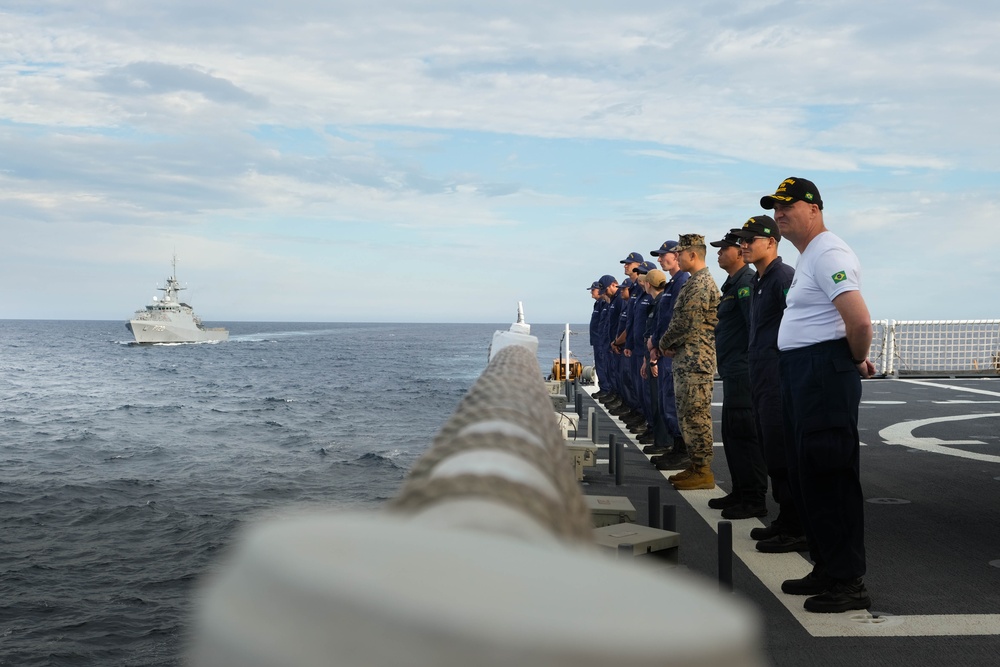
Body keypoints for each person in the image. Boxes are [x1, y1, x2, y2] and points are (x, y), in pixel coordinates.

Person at [761, 176, 875, 613]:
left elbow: (859, 322)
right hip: (804, 371)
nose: (779, 214)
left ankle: (848, 582)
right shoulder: (811, 256)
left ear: (814, 208)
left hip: (821, 373)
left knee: (830, 475)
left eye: (787, 205)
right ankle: (827, 568)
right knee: (809, 474)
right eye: (776, 208)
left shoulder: (828, 252)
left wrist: (850, 358)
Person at [733, 215, 807, 554]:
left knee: (784, 455)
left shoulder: (783, 278)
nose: (743, 245)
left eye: (750, 239)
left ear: (771, 243)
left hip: (779, 380)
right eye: (743, 240)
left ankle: (796, 527)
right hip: (761, 379)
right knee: (771, 452)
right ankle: (784, 520)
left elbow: (800, 325)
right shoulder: (762, 280)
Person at [708, 231, 766, 518]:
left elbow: (752, 328)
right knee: (732, 435)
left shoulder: (746, 284)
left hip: (743, 373)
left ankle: (754, 498)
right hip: (731, 371)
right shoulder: (732, 284)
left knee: (745, 435)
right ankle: (741, 491)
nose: (719, 253)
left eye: (723, 249)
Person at [658, 234, 720, 490]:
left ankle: (703, 470)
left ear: (692, 255)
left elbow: (686, 322)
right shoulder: (693, 282)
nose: (678, 257)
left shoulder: (700, 284)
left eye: (680, 253)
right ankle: (695, 465)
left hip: (697, 360)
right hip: (688, 359)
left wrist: (664, 343)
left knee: (696, 415)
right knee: (687, 413)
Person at [647, 240, 689, 466]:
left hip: (672, 351)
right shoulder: (673, 283)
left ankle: (682, 450)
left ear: (676, 255)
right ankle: (675, 446)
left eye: (664, 255)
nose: (660, 259)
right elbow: (663, 319)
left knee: (674, 401)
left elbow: (677, 320)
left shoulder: (683, 282)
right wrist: (655, 344)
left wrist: (660, 344)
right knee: (666, 400)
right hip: (663, 350)